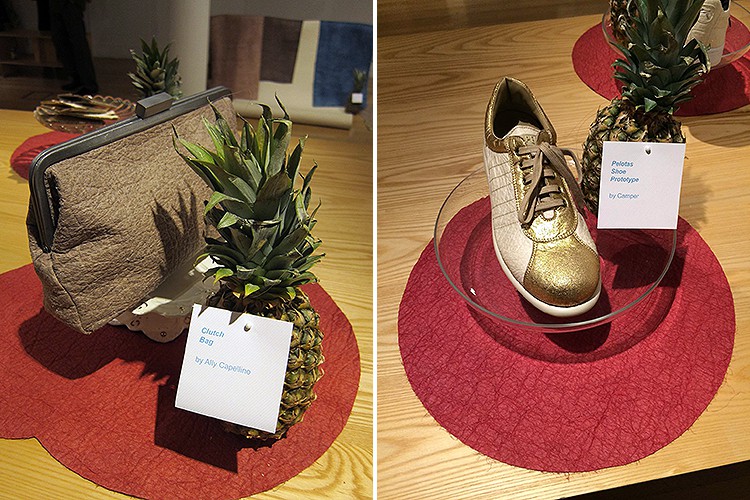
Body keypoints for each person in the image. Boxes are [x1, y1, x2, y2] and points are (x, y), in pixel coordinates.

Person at [48, 0, 98, 95]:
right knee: (61, 41)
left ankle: (89, 84)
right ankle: (76, 78)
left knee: (78, 44)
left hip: (71, 3)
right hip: (56, 4)